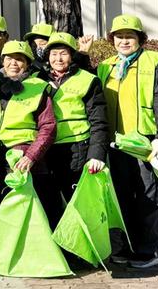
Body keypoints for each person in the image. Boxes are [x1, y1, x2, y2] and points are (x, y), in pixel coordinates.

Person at [97, 14, 158, 270]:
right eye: (119, 36)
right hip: (116, 144)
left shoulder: (154, 61)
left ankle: (147, 250)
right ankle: (126, 247)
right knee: (121, 197)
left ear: (140, 39)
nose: (124, 41)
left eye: (130, 36)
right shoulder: (106, 66)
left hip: (144, 143)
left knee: (146, 196)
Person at [38, 32, 109, 219]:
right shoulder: (37, 80)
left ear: (72, 55)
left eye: (63, 53)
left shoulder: (88, 80)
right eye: (53, 54)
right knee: (49, 205)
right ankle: (56, 248)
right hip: (45, 150)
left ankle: (81, 247)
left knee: (77, 205)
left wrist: (96, 154)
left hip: (77, 149)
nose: (58, 58)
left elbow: (99, 120)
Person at [0, 41, 59, 231]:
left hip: (24, 158)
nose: (13, 63)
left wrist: (31, 156)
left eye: (19, 59)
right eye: (9, 58)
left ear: (28, 64)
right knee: (0, 212)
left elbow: (48, 127)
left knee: (31, 215)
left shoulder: (38, 87)